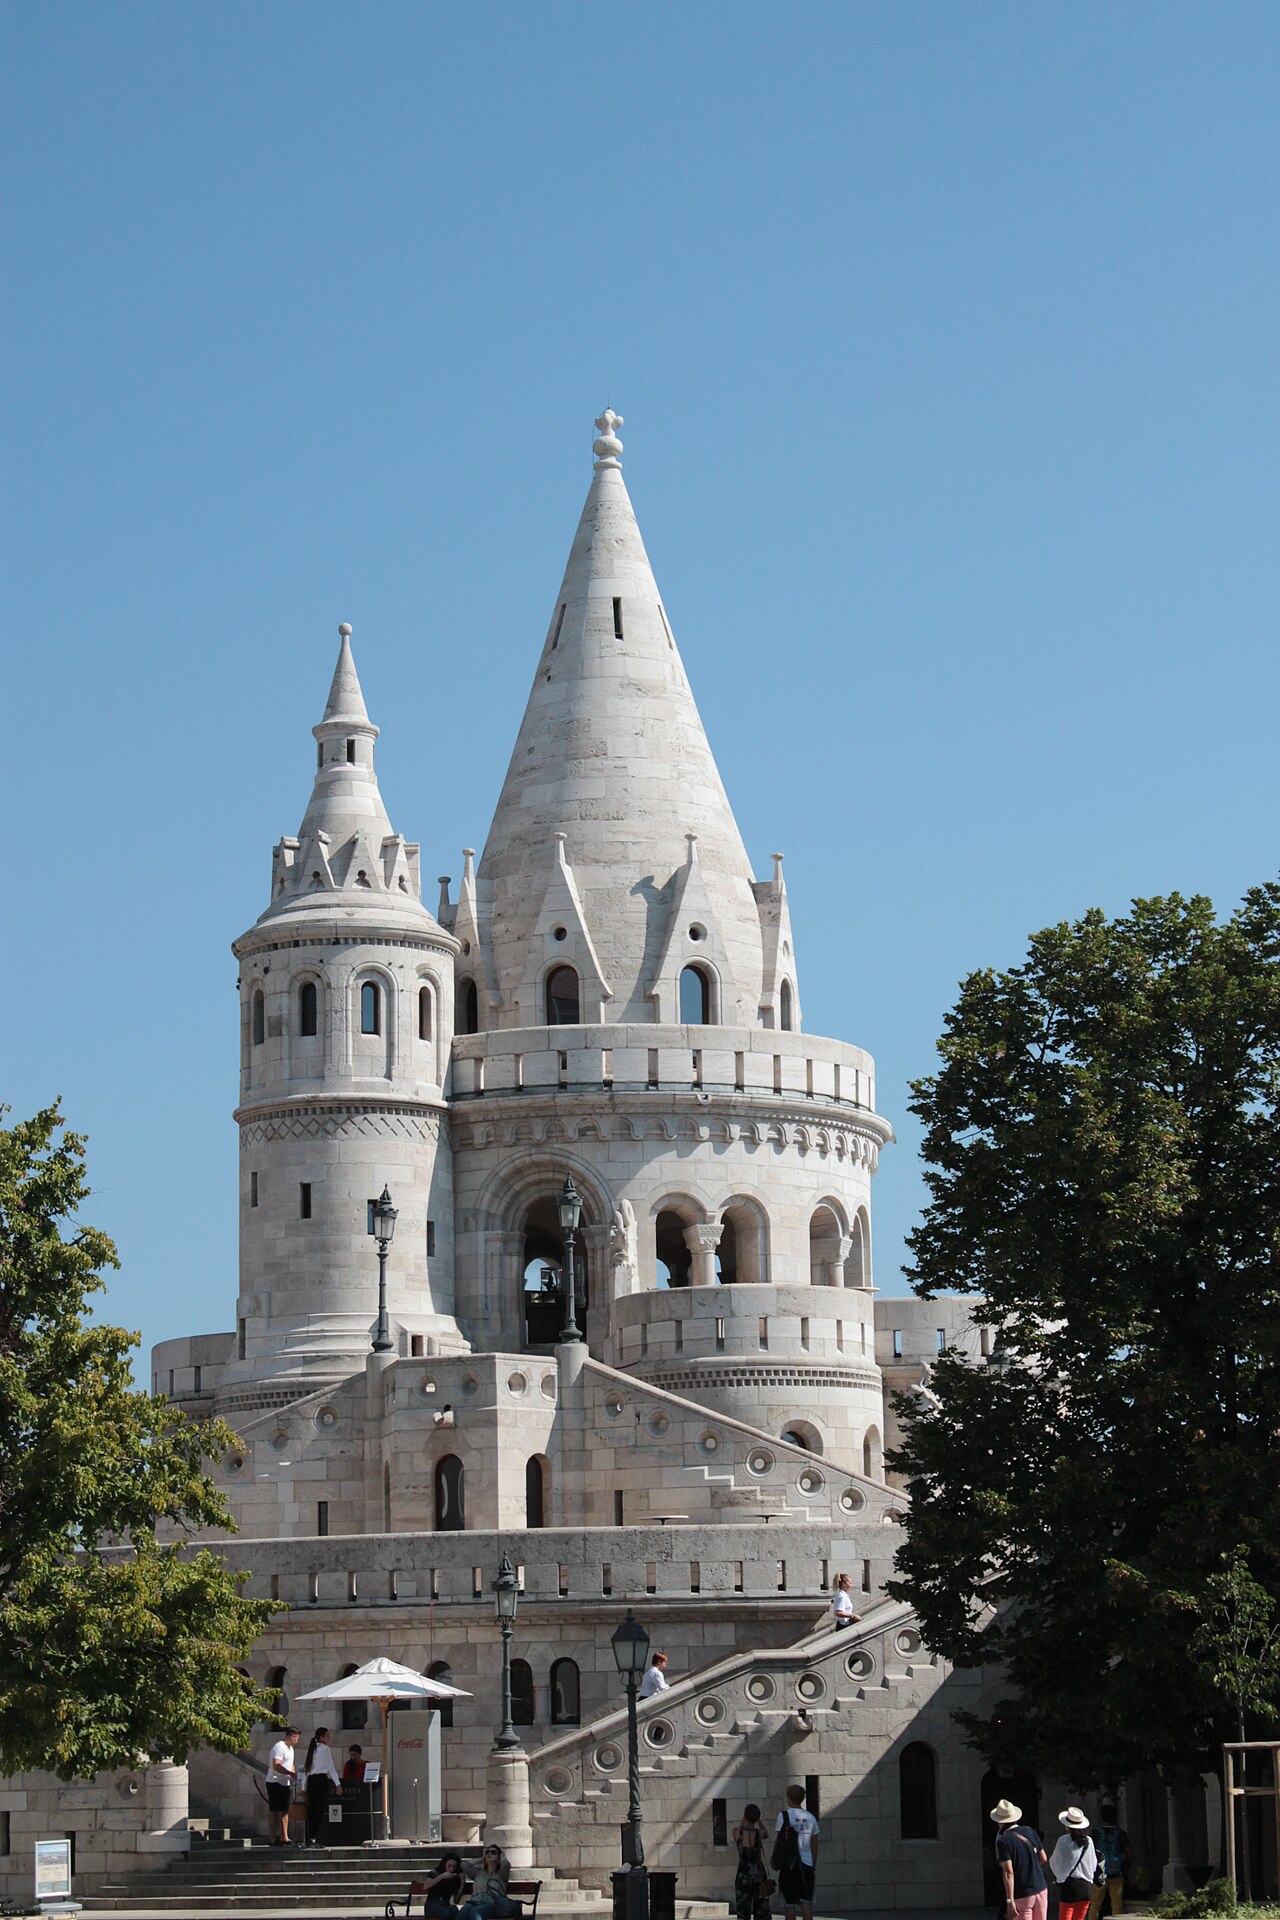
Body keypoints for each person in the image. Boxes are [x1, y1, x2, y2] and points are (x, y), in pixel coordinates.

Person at [992, 1798, 1048, 1920]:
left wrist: (1009, 1900)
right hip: (1041, 1887)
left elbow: (1008, 1872)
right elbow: (1043, 1857)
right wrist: (1029, 1867)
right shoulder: (1029, 1831)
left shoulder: (1003, 1841)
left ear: (1000, 1822)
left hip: (1022, 1892)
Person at [774, 1783, 819, 1920]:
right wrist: (813, 1865)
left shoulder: (783, 1816)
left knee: (790, 1905)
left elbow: (779, 1841)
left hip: (789, 1865)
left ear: (789, 1799)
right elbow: (814, 1845)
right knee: (806, 1904)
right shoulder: (811, 1818)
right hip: (806, 1864)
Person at [1049, 1808, 1099, 1920]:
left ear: (1067, 1826)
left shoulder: (1063, 1841)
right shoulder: (1089, 1841)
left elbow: (1054, 1861)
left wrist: (1060, 1876)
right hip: (1086, 1887)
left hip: (1070, 1886)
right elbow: (1093, 1863)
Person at [1089, 1804, 1132, 1920]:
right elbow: (1128, 1852)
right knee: (1117, 1905)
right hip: (1116, 1873)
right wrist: (1128, 1865)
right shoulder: (1121, 1833)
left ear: (1101, 1817)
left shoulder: (1095, 1833)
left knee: (1095, 1905)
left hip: (1099, 1874)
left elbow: (1089, 1851)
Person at [302, 1726, 342, 1847]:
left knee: (312, 1809)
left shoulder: (311, 1749)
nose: (328, 1738)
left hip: (311, 1781)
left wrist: (303, 1787)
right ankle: (315, 1836)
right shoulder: (325, 1749)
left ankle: (310, 1837)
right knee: (319, 1809)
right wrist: (338, 1784)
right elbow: (330, 1767)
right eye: (327, 1736)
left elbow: (306, 1769)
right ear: (321, 1737)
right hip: (320, 1780)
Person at [732, 1802, 772, 1920]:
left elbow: (739, 1829)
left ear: (745, 1816)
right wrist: (758, 1820)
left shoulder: (737, 1833)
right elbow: (766, 1832)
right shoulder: (759, 1834)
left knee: (743, 1910)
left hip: (743, 1874)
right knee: (761, 1909)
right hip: (759, 1875)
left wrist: (744, 1819)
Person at [457, 1846, 518, 1920]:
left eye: (493, 1852)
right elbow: (463, 1865)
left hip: (492, 1905)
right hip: (474, 1902)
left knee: (475, 1912)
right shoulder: (478, 1873)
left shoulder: (501, 1875)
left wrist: (502, 1857)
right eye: (487, 1852)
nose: (489, 1853)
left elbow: (506, 1865)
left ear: (499, 1858)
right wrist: (481, 1859)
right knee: (463, 1912)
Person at [265, 1725, 301, 1846]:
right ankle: (273, 1838)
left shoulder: (291, 1749)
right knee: (274, 1809)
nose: (297, 1740)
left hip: (285, 1782)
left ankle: (284, 1837)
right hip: (274, 1781)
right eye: (297, 1738)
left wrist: (294, 1775)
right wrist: (290, 1773)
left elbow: (290, 1765)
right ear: (292, 1736)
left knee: (285, 1810)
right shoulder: (279, 1747)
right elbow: (276, 1765)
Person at [422, 1854, 466, 1920]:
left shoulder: (455, 1878)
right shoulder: (435, 1873)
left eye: (454, 1867)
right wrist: (441, 1876)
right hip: (432, 1904)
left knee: (454, 1909)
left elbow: (456, 1901)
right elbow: (425, 1887)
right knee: (445, 1912)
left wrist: (462, 1884)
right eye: (449, 1866)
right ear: (444, 1864)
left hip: (445, 1904)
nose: (451, 1869)